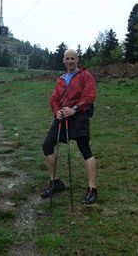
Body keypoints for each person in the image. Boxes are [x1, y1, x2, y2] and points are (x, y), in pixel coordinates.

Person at [41, 49, 98, 205]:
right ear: (63, 60)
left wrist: (75, 109)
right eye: (67, 58)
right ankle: (55, 183)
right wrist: (56, 112)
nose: (70, 61)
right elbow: (54, 99)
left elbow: (90, 96)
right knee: (47, 146)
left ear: (77, 59)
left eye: (73, 58)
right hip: (62, 117)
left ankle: (92, 189)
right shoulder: (61, 79)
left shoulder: (86, 75)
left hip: (79, 116)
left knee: (85, 150)